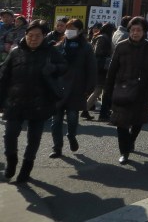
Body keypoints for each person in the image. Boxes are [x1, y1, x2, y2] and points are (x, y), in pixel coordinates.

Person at [0, 20, 67, 182]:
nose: (33, 38)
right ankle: (11, 161)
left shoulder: (51, 52)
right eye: (30, 35)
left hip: (41, 102)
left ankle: (26, 167)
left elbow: (64, 66)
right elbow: (3, 77)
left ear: (44, 36)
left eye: (38, 35)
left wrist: (54, 68)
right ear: (26, 35)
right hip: (15, 101)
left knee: (34, 138)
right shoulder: (16, 52)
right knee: (9, 135)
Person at [104, 16, 148, 165]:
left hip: (141, 90)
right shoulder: (121, 46)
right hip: (122, 89)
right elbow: (112, 70)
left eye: (138, 30)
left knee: (138, 120)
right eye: (132, 30)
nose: (135, 33)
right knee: (121, 122)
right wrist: (108, 89)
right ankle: (124, 151)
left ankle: (131, 140)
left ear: (144, 32)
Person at [49, 19, 97, 158]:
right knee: (56, 120)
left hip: (77, 87)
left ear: (80, 30)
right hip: (58, 87)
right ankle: (57, 147)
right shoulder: (59, 45)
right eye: (67, 27)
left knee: (72, 117)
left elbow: (91, 68)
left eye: (73, 28)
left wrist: (89, 87)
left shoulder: (86, 47)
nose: (69, 30)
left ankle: (71, 136)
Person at [86, 22, 114, 118]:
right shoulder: (103, 38)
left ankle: (87, 109)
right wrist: (106, 56)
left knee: (98, 90)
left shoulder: (99, 36)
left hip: (99, 67)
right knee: (98, 90)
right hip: (102, 68)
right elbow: (98, 52)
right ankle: (86, 109)